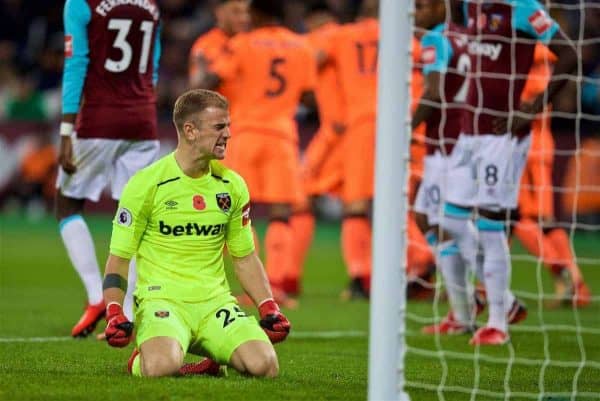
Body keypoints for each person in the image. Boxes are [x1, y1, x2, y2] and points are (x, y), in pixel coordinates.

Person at [102, 89, 290, 378]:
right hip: (163, 301)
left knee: (265, 366)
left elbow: (244, 257)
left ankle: (210, 360)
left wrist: (269, 308)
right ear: (190, 131)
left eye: (228, 126)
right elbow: (119, 259)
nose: (227, 134)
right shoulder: (146, 185)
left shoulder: (233, 186)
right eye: (219, 127)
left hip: (215, 303)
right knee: (160, 368)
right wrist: (115, 311)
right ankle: (145, 357)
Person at [441, 0, 577, 345]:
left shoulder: (522, 7)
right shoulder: (471, 6)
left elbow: (570, 54)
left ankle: (498, 322)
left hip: (502, 134)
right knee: (449, 218)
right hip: (470, 132)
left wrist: (533, 107)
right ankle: (510, 303)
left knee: (490, 220)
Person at [199, 0, 317, 304]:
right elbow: (308, 94)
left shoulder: (242, 43)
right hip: (282, 135)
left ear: (260, 14)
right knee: (281, 213)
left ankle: (251, 289)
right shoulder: (301, 45)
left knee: (239, 212)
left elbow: (215, 79)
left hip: (246, 133)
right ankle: (275, 287)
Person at [56, 0, 162, 337]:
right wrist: (141, 104)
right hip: (143, 120)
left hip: (99, 119)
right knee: (131, 215)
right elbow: (153, 67)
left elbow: (77, 63)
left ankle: (96, 296)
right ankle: (127, 313)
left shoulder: (81, 3)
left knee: (66, 203)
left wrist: (66, 130)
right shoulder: (150, 5)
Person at [513, 43, 591, 308]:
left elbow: (524, 98)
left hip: (525, 144)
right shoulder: (546, 49)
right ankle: (575, 284)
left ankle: (565, 274)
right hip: (540, 143)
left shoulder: (523, 49)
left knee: (518, 218)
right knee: (544, 220)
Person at [316, 0, 379, 297]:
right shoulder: (406, 37)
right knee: (403, 201)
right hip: (402, 123)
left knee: (355, 203)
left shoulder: (341, 35)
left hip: (360, 123)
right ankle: (418, 271)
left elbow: (311, 57)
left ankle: (360, 277)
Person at [188, 0, 249, 94]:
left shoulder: (252, 41)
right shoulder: (205, 45)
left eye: (246, 12)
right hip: (222, 106)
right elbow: (196, 88)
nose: (243, 18)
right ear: (219, 12)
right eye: (236, 12)